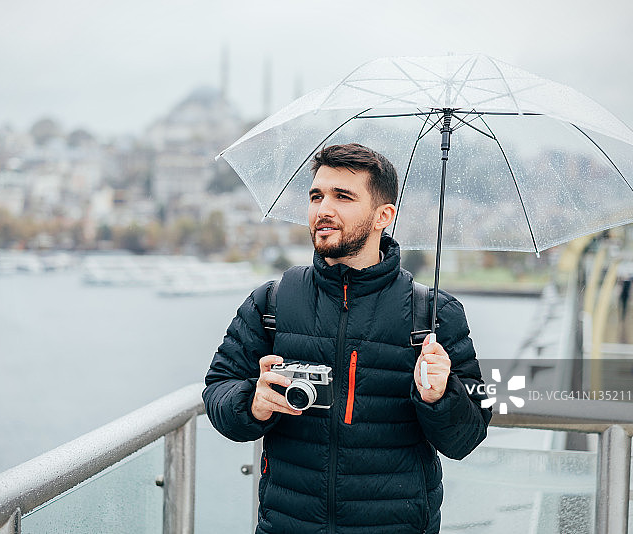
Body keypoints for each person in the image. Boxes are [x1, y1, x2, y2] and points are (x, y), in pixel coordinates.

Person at [203, 143, 491, 534]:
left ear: (383, 216)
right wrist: (253, 402)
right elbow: (217, 389)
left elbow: (469, 436)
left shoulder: (435, 314)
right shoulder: (272, 302)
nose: (323, 209)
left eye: (343, 196)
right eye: (316, 195)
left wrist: (441, 396)